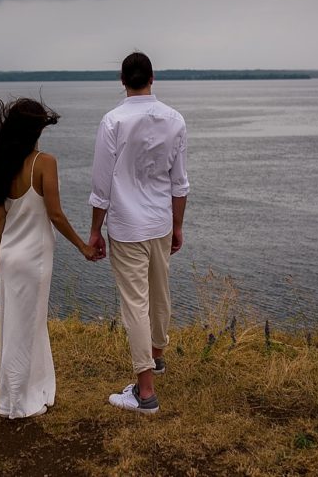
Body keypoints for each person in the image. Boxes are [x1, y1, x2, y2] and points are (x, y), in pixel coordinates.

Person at [0, 96, 96, 419]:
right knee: (29, 327)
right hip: (34, 260)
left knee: (14, 327)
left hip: (9, 257)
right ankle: (20, 403)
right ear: (35, 130)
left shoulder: (5, 164)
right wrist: (83, 246)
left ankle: (27, 392)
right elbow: (55, 215)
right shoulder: (45, 162)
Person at [89, 52, 189, 414]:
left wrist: (94, 231)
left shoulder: (113, 121)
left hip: (127, 227)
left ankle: (145, 393)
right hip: (160, 221)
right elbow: (180, 184)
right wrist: (177, 225)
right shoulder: (175, 120)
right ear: (153, 77)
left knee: (136, 304)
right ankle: (157, 357)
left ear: (122, 79)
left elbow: (101, 185)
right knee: (160, 293)